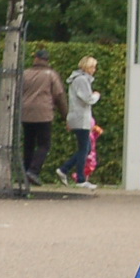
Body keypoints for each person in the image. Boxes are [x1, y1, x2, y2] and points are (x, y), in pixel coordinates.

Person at [20, 49, 65, 185]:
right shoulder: (51, 75)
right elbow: (59, 95)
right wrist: (65, 115)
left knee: (28, 144)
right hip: (44, 114)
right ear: (47, 60)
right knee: (44, 144)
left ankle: (25, 172)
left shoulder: (24, 74)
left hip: (25, 113)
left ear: (35, 59)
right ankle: (33, 171)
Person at [55, 56, 100, 190]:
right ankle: (80, 178)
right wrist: (96, 95)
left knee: (85, 149)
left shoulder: (78, 79)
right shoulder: (82, 80)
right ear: (86, 67)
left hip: (77, 117)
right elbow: (87, 99)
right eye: (92, 67)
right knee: (84, 149)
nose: (94, 70)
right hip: (81, 118)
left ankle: (65, 169)